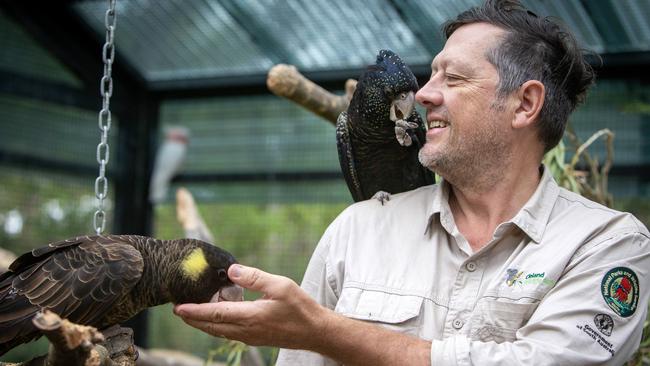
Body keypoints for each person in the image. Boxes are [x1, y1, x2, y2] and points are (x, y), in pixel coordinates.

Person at [174, 0, 650, 364]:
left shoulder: (606, 243)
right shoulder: (358, 228)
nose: (424, 94)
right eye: (429, 75)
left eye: (455, 78)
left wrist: (322, 329)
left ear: (525, 105)